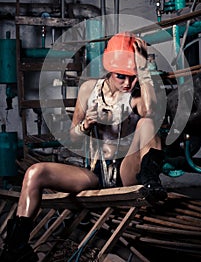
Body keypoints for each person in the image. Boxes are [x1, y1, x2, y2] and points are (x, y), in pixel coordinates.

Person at [0, 31, 167, 262]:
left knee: (148, 123)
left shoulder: (138, 95)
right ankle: (15, 249)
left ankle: (152, 182)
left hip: (126, 173)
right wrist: (85, 126)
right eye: (122, 76)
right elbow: (72, 140)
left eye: (134, 76)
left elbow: (151, 113)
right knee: (34, 172)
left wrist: (144, 68)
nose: (129, 83)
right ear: (110, 69)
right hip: (94, 173)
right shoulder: (89, 90)